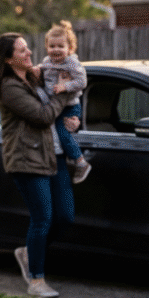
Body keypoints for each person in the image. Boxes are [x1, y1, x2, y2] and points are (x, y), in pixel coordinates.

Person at [0, 33, 78, 298]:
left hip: (53, 155)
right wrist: (63, 92)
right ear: (8, 58)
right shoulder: (9, 87)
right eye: (22, 51)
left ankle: (29, 252)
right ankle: (36, 280)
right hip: (26, 159)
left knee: (65, 216)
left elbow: (64, 100)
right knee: (43, 219)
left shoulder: (35, 76)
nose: (29, 53)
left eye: (28, 48)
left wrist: (73, 119)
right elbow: (42, 116)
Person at [36, 21, 91, 184]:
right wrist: (36, 69)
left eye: (61, 46)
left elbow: (82, 81)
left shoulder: (72, 63)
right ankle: (70, 160)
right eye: (52, 46)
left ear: (70, 48)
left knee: (63, 133)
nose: (56, 50)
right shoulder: (48, 61)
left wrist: (64, 86)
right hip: (56, 107)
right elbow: (42, 68)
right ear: (47, 48)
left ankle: (81, 162)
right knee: (57, 135)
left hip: (70, 107)